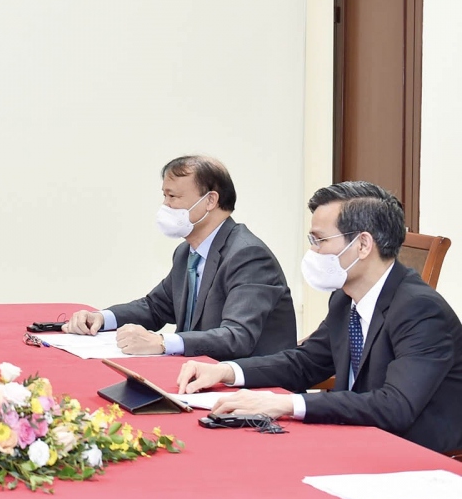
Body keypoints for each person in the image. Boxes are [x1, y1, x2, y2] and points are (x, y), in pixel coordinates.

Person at [177, 181, 462, 453]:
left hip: (414, 451)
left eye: (320, 240)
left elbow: (395, 406)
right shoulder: (344, 297)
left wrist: (287, 404)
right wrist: (227, 371)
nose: (313, 251)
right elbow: (305, 362)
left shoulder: (421, 310)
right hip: (355, 432)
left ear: (363, 245)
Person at [64, 156, 296, 360]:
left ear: (210, 201)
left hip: (253, 388)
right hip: (201, 375)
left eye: (173, 196)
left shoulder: (248, 256)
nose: (166, 205)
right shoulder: (187, 252)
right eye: (164, 195)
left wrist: (162, 343)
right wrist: (101, 318)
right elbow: (155, 307)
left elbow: (237, 337)